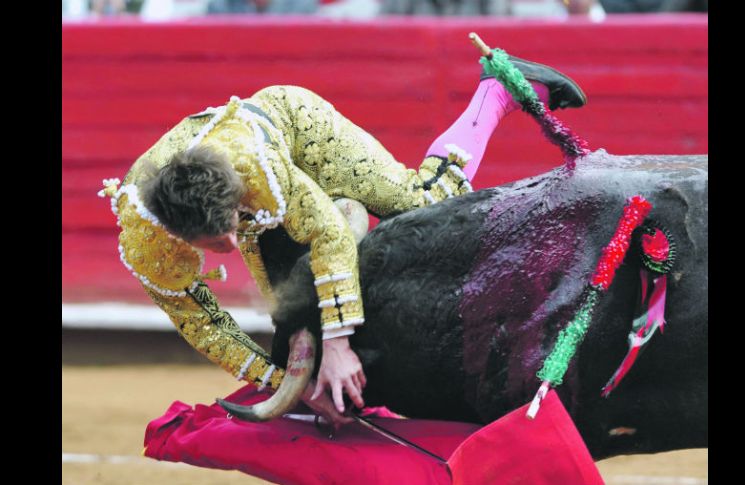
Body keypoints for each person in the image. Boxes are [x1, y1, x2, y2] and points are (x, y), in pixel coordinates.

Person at [99, 52, 586, 428]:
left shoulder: (252, 170)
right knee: (292, 320)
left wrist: (337, 345)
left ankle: (497, 89)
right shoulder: (147, 241)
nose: (230, 241)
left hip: (298, 130)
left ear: (236, 196)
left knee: (424, 201)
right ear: (176, 234)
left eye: (229, 225)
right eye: (214, 242)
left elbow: (328, 231)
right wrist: (282, 383)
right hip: (260, 195)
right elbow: (203, 324)